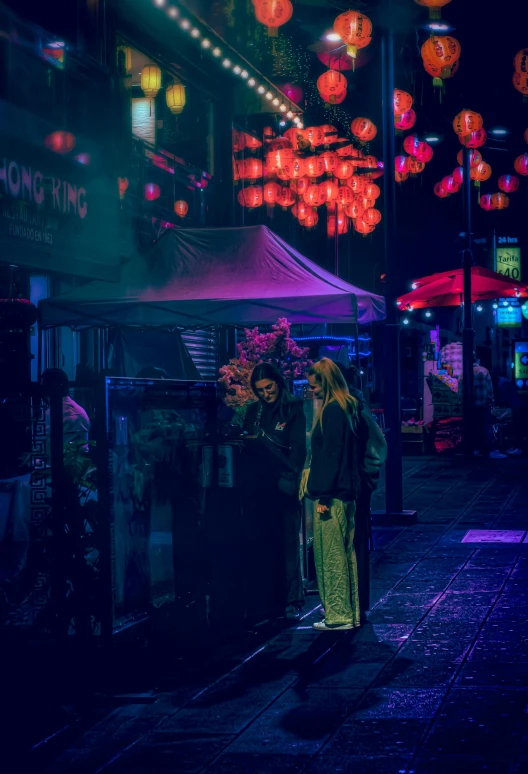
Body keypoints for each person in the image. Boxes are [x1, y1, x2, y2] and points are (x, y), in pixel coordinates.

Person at [243, 363, 306, 623]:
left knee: (289, 543)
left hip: (284, 484)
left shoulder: (293, 409)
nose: (266, 394)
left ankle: (292, 600)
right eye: (260, 390)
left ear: (278, 382)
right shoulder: (253, 410)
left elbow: (299, 450)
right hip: (259, 487)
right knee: (264, 542)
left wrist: (290, 475)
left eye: (269, 388)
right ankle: (266, 600)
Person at [305, 358, 362, 632]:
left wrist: (323, 497)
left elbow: (330, 456)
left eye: (314, 386)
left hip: (332, 495)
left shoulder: (332, 411)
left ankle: (338, 615)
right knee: (343, 553)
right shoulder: (346, 407)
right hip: (344, 493)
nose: (311, 390)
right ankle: (348, 613)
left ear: (325, 383)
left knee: (331, 556)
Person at [41, 368, 91, 461]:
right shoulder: (81, 411)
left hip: (52, 469)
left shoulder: (50, 414)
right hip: (80, 468)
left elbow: (41, 448)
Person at [462, 355, 506, 459]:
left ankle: (475, 449)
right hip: (484, 405)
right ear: (477, 360)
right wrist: (491, 401)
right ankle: (488, 450)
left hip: (470, 407)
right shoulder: (484, 371)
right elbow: (490, 389)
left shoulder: (463, 373)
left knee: (473, 427)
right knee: (486, 428)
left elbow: (460, 392)